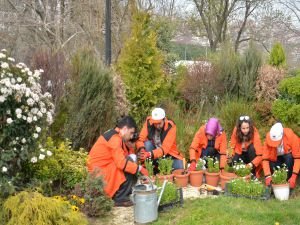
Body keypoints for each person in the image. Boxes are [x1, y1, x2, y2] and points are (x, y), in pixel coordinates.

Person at [87, 116, 148, 207]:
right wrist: (139, 169)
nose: (131, 136)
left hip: (100, 172)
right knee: (128, 163)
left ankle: (120, 195)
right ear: (124, 129)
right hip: (99, 175)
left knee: (129, 162)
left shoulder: (115, 135)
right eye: (131, 133)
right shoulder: (115, 139)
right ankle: (119, 198)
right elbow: (121, 163)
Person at [136, 108, 184, 173]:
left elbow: (165, 149)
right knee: (147, 144)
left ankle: (158, 168)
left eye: (159, 123)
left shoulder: (171, 126)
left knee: (179, 167)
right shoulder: (149, 122)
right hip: (154, 154)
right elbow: (140, 139)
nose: (157, 125)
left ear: (164, 119)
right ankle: (151, 168)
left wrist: (149, 154)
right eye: (155, 123)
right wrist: (142, 150)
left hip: (168, 155)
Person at [263, 122, 300, 188]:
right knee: (270, 163)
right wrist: (267, 176)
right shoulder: (268, 138)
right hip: (275, 160)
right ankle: (275, 182)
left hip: (288, 160)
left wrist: (294, 176)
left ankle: (289, 181)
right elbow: (265, 159)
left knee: (289, 157)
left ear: (282, 135)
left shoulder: (291, 137)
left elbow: (297, 158)